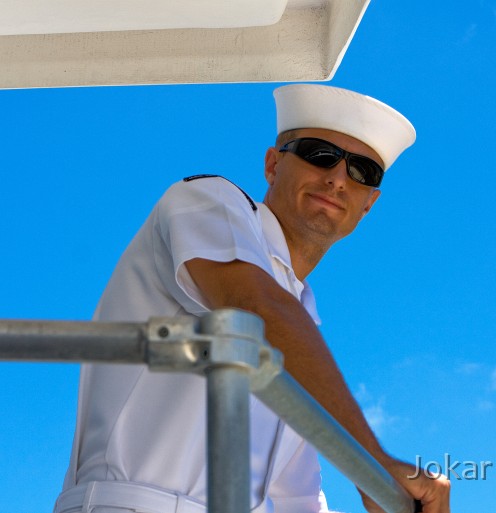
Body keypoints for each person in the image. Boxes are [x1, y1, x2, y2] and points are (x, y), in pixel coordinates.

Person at [54, 84, 451, 513]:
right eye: (319, 154)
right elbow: (256, 308)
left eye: (362, 172)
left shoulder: (303, 333)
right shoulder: (207, 200)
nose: (337, 178)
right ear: (272, 165)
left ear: (369, 203)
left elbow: (300, 500)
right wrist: (372, 461)